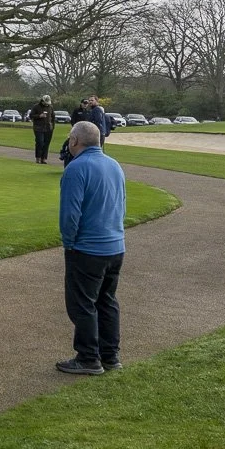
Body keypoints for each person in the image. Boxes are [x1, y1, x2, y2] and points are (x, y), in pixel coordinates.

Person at [55, 120, 128, 375]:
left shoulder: (76, 168)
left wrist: (69, 243)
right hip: (115, 245)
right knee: (107, 301)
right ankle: (110, 355)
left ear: (75, 141)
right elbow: (122, 205)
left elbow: (70, 215)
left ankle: (88, 357)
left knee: (83, 303)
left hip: (88, 248)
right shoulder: (114, 165)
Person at [31, 96, 57, 164]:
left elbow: (53, 117)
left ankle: (44, 158)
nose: (47, 104)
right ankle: (38, 157)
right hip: (38, 127)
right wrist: (39, 116)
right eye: (45, 103)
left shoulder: (50, 107)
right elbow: (31, 116)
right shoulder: (36, 106)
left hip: (48, 128)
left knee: (46, 143)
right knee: (40, 142)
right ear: (42, 101)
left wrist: (53, 126)